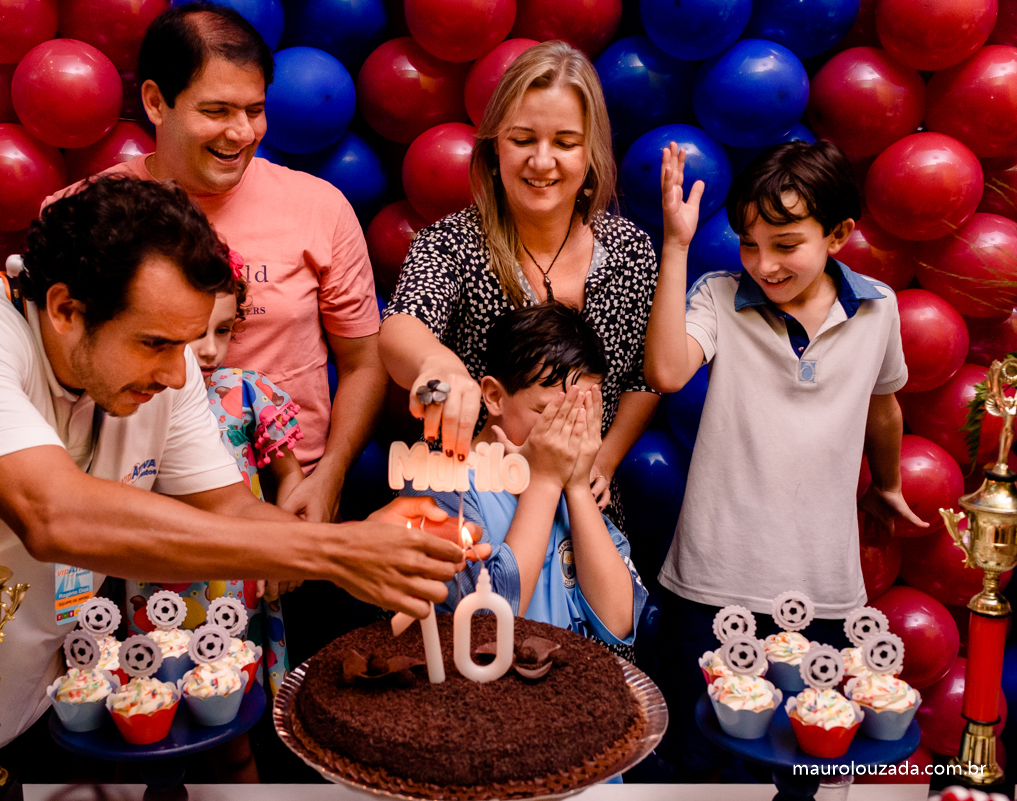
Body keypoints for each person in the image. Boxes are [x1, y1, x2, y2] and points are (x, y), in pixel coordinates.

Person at [0, 176, 477, 773]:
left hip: (45, 705)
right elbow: (56, 515)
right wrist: (338, 552)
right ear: (65, 309)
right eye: (154, 343)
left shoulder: (169, 367)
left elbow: (231, 510)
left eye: (184, 344)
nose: (176, 372)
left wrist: (372, 536)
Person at [643, 139, 926, 777]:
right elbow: (665, 371)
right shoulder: (719, 295)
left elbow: (883, 404)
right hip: (711, 584)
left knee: (805, 765)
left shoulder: (878, 308)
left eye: (786, 244)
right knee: (698, 763)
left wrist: (886, 483)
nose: (764, 264)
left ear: (838, 235)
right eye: (750, 244)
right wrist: (677, 245)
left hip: (825, 591)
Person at [49, 3, 386, 525]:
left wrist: (329, 478)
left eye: (254, 110)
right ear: (156, 102)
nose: (242, 132)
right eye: (217, 111)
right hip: (134, 498)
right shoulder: (81, 214)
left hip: (289, 494)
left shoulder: (320, 207)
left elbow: (364, 362)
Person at [379, 40, 660, 530]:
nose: (542, 160)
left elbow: (642, 378)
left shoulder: (630, 250)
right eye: (523, 139)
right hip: (470, 505)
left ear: (590, 155)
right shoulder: (451, 243)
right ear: (494, 149)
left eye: (565, 143)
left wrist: (605, 458)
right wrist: (437, 365)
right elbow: (401, 327)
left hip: (581, 512)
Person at [404, 304, 647, 661]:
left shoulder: (571, 485)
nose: (567, 432)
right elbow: (488, 624)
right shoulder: (442, 486)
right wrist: (544, 483)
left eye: (581, 416)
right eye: (550, 414)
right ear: (494, 396)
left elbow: (619, 620)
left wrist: (576, 487)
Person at [127, 249, 304, 701]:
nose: (209, 348)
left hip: (238, 577)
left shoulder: (246, 392)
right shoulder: (133, 397)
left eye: (222, 330)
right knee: (154, 696)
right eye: (195, 332)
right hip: (153, 576)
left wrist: (285, 544)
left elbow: (291, 475)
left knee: (236, 698)